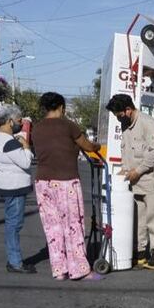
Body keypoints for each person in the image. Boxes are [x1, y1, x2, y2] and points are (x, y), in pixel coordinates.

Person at [31, 92, 102, 281]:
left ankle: (59, 270)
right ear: (62, 107)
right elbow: (86, 145)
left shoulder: (36, 129)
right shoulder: (68, 125)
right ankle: (79, 269)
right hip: (66, 181)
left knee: (52, 228)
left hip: (43, 182)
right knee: (73, 225)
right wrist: (96, 147)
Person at [105, 94, 154, 269]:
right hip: (133, 181)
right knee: (137, 220)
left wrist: (138, 171)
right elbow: (125, 151)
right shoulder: (125, 125)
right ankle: (140, 252)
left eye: (119, 115)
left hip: (151, 179)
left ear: (128, 109)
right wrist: (125, 169)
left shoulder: (148, 124)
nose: (118, 119)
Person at [0, 104, 36, 273]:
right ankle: (15, 262)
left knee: (11, 223)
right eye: (18, 120)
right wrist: (26, 146)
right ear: (9, 121)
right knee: (14, 224)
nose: (21, 123)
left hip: (5, 183)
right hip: (15, 186)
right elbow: (26, 162)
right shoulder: (9, 142)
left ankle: (14, 260)